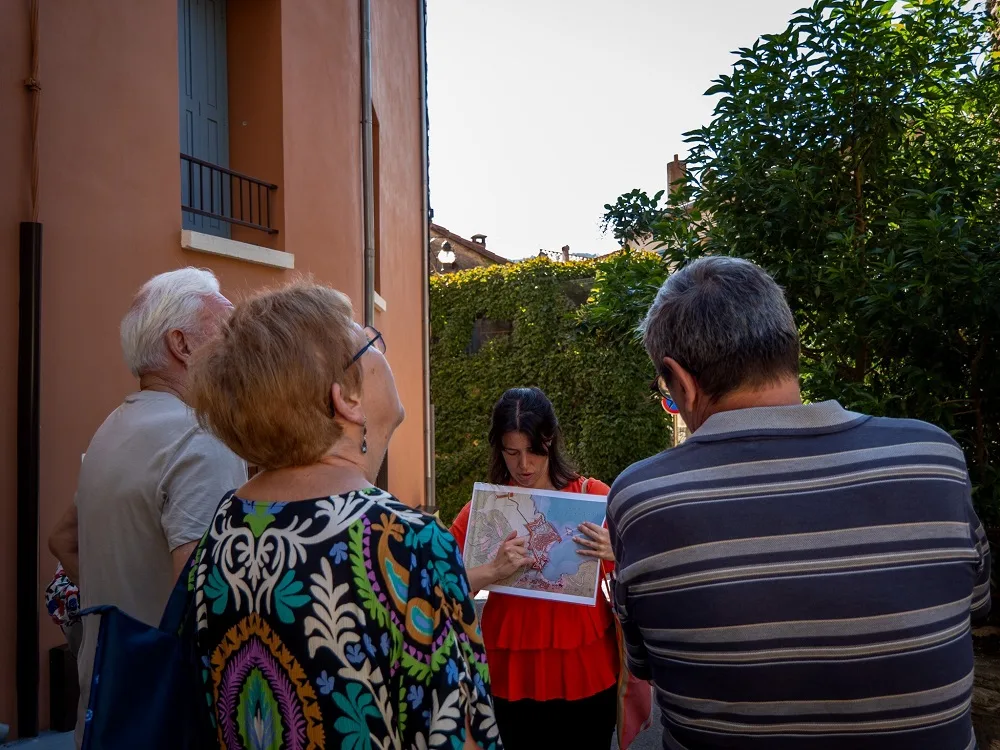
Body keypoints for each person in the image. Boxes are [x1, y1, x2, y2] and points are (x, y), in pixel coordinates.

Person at [607, 256, 992, 750]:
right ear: (792, 348)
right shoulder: (930, 456)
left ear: (680, 380)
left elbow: (646, 663)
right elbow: (975, 603)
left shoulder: (643, 498)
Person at [188, 281, 498, 749]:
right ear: (346, 400)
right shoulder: (409, 541)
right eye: (369, 342)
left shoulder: (226, 524)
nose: (381, 348)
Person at [47, 267, 248, 747]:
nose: (241, 344)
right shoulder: (199, 438)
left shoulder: (113, 427)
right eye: (228, 327)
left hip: (109, 700)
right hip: (169, 715)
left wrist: (125, 603)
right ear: (182, 345)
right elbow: (204, 599)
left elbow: (62, 541)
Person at [449, 387, 619, 750]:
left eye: (533, 452)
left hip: (587, 666)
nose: (523, 465)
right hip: (511, 671)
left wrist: (617, 550)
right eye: (512, 453)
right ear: (498, 449)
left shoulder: (593, 495)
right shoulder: (484, 510)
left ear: (550, 442)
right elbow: (437, 587)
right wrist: (490, 572)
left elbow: (646, 568)